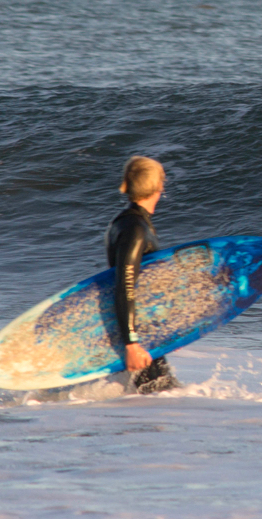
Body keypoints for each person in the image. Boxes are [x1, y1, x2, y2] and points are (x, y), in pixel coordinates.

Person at [105, 155, 180, 394]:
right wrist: (131, 344)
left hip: (142, 330)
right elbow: (124, 285)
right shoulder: (135, 228)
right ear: (158, 186)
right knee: (163, 398)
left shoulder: (125, 222)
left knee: (158, 400)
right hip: (139, 334)